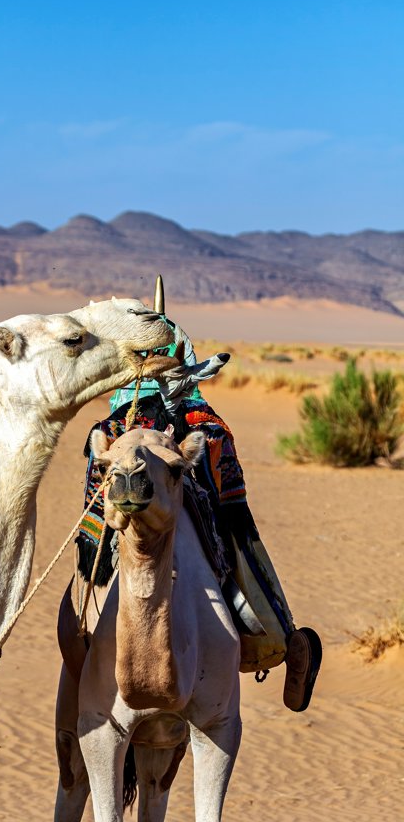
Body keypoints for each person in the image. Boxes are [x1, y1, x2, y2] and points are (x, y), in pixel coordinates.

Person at [78, 281, 321, 712]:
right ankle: (87, 601)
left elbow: (220, 476)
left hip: (182, 475)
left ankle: (284, 638)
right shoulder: (121, 426)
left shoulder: (196, 425)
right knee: (104, 467)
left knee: (232, 534)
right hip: (137, 462)